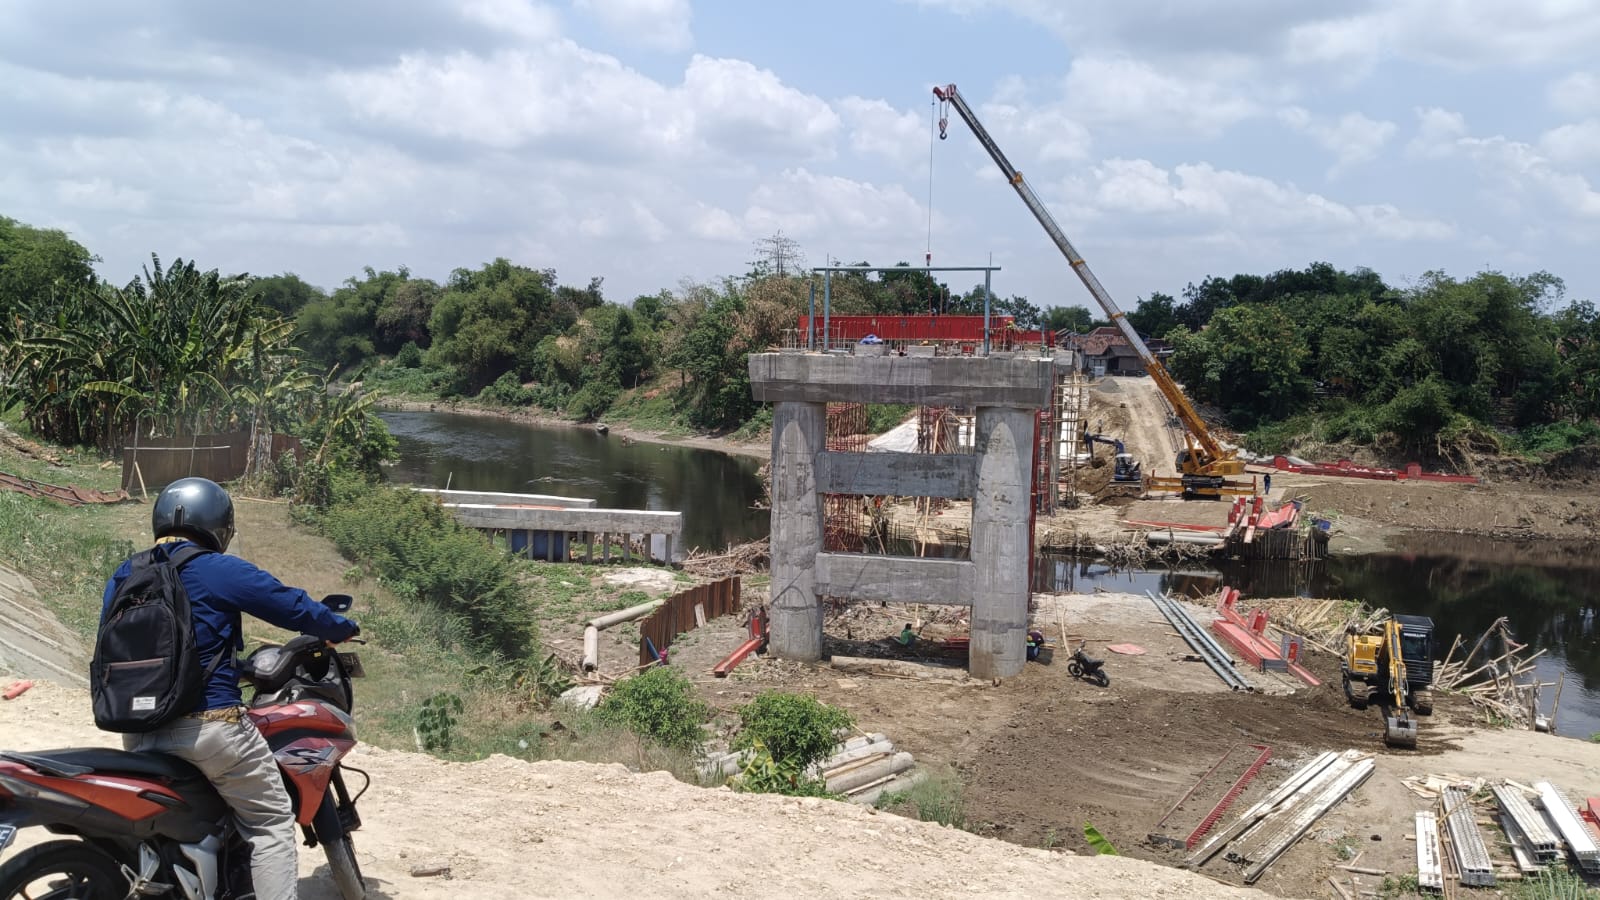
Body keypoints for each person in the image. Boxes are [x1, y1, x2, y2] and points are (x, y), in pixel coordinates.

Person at [102, 477, 360, 900]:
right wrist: (341, 628)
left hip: (139, 731)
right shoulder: (216, 567)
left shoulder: (126, 573)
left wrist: (232, 665)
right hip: (210, 730)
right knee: (271, 820)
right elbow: (291, 605)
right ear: (218, 525)